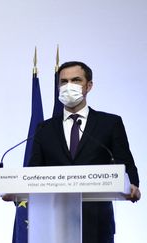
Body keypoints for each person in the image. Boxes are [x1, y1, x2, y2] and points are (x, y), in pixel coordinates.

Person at [28, 61, 141, 243]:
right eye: (63, 82)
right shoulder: (44, 128)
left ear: (89, 86)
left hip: (97, 222)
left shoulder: (110, 123)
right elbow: (34, 170)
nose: (68, 86)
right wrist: (16, 192)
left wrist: (133, 185)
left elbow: (126, 163)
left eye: (76, 80)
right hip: (54, 222)